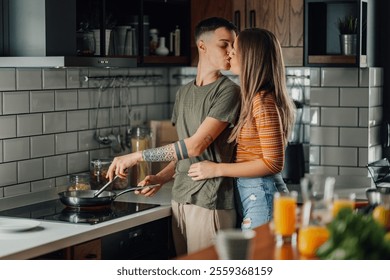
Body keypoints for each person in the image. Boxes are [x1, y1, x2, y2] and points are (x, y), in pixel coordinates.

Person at [106, 17, 241, 255]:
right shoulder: (184, 93)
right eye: (224, 44)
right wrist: (160, 177)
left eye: (233, 45)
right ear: (202, 46)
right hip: (180, 198)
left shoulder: (229, 91)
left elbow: (196, 146)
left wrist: (137, 156)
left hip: (211, 202)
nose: (232, 51)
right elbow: (183, 151)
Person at [188, 28, 296, 230]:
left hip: (262, 193)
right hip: (254, 193)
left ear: (250, 57)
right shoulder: (254, 98)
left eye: (234, 49)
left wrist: (216, 169)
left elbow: (274, 164)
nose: (229, 53)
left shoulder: (262, 101)